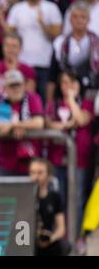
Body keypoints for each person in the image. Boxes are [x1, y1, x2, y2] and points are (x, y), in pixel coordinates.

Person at [46, 70, 94, 232]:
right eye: (64, 83)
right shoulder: (54, 104)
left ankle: (75, 236)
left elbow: (81, 119)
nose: (68, 86)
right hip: (57, 158)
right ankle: (59, 235)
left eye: (72, 82)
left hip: (79, 159)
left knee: (77, 199)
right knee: (59, 197)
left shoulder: (86, 103)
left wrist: (72, 100)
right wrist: (67, 125)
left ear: (79, 84)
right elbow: (47, 123)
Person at [6, 0, 62, 103]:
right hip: (22, 63)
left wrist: (42, 24)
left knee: (42, 100)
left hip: (44, 63)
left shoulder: (51, 8)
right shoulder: (17, 9)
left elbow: (57, 36)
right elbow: (9, 35)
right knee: (22, 99)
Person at [0, 70, 44, 176]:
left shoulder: (33, 98)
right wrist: (9, 126)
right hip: (5, 161)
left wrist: (14, 125)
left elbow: (39, 122)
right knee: (4, 192)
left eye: (18, 85)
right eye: (12, 86)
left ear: (24, 85)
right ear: (6, 87)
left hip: (30, 162)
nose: (16, 89)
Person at [48, 2, 99, 103]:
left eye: (83, 17)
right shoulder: (60, 42)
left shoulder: (97, 43)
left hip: (91, 92)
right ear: (70, 19)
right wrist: (49, 103)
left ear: (88, 20)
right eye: (75, 17)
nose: (79, 20)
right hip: (65, 92)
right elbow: (52, 76)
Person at [29, 158, 71, 256]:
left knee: (64, 246)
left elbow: (61, 228)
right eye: (32, 172)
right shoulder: (25, 197)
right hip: (27, 240)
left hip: (48, 241)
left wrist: (50, 238)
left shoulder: (55, 197)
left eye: (40, 173)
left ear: (49, 176)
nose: (36, 177)